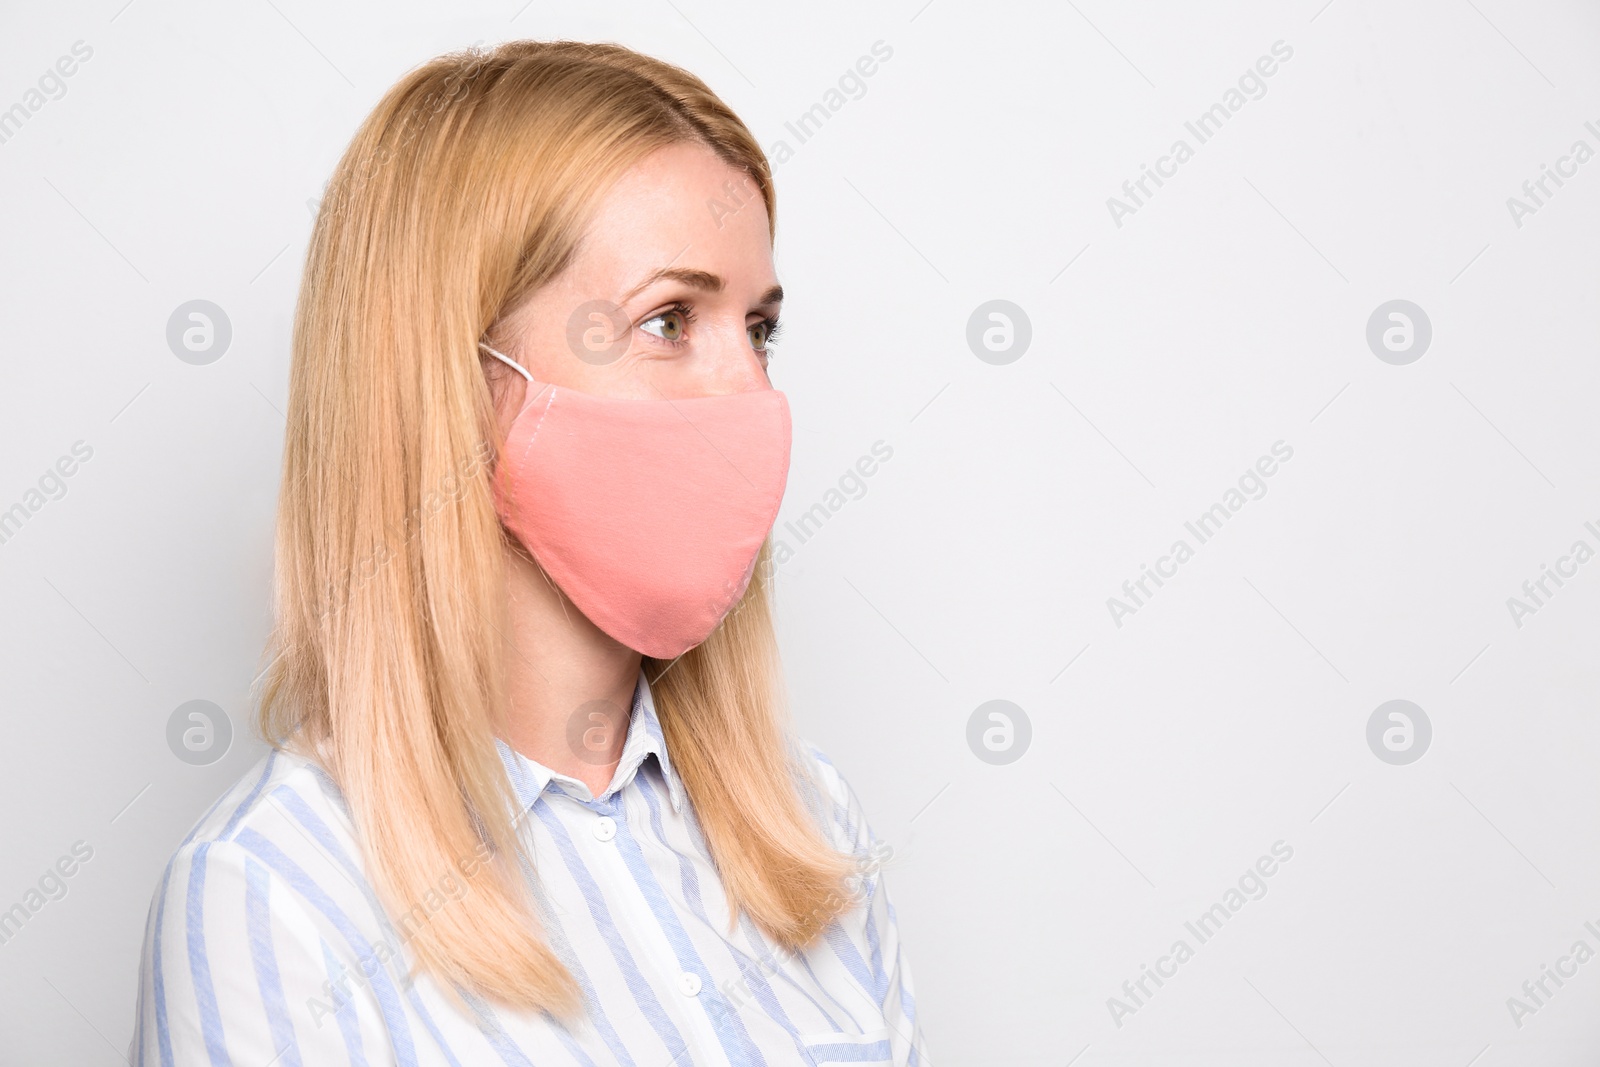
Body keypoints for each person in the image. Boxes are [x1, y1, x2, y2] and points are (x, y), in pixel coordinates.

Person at [129, 38, 927, 1067]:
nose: (750, 393)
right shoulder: (277, 897)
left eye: (758, 329)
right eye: (669, 319)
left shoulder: (806, 821)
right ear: (455, 380)